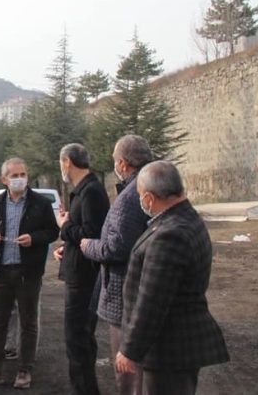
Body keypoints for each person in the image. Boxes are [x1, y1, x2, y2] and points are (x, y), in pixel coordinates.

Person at [116, 161, 229, 394]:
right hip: (176, 346)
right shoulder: (184, 217)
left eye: (140, 196)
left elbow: (152, 301)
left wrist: (130, 350)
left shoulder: (169, 235)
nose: (140, 201)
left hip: (168, 350)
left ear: (149, 198)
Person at [0, 158, 59, 389]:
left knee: (28, 322)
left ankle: (24, 370)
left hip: (28, 272)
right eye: (14, 175)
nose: (19, 178)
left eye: (23, 174)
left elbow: (52, 231)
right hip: (2, 270)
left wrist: (34, 238)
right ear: (4, 179)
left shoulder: (39, 203)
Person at [79, 135, 152, 395]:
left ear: (122, 163)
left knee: (129, 373)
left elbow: (117, 247)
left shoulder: (131, 196)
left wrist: (88, 246)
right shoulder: (147, 186)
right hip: (141, 293)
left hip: (125, 296)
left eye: (114, 160)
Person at [54, 143, 109, 395]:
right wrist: (67, 248)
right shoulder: (83, 190)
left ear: (67, 162)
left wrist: (64, 227)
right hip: (78, 270)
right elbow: (81, 237)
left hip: (85, 278)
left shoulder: (92, 192)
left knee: (78, 340)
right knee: (81, 339)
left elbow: (92, 235)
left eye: (60, 163)